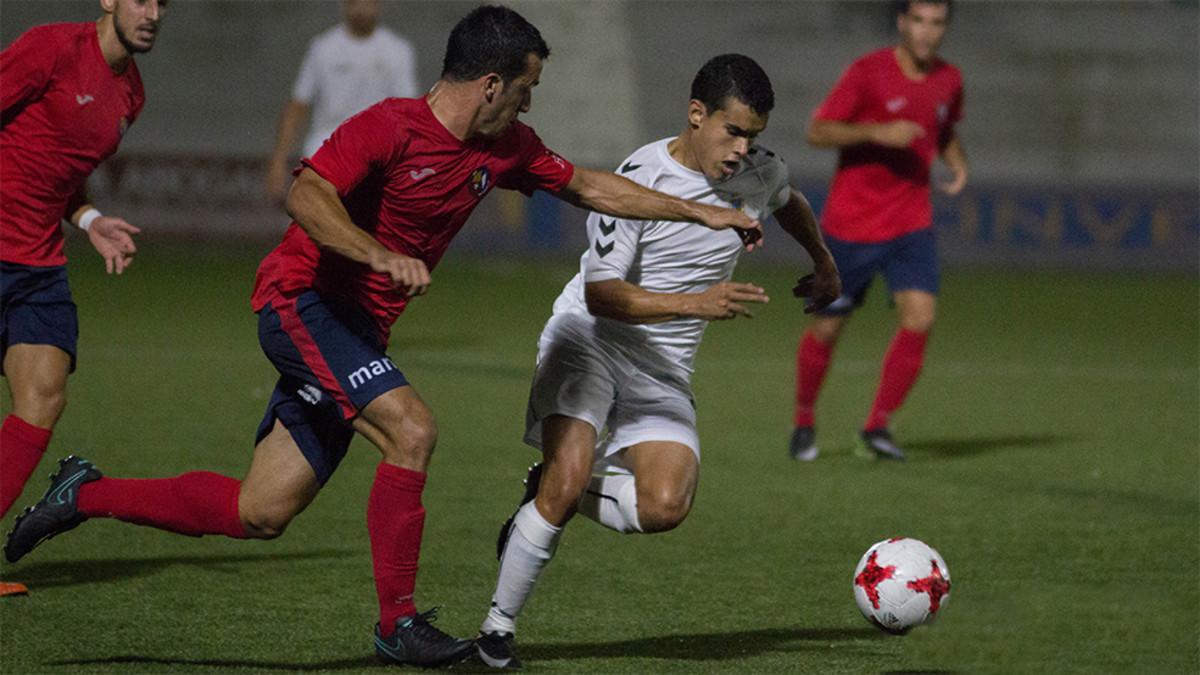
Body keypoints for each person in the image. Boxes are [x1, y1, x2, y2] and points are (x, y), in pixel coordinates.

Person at [4, 5, 764, 668]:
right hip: (300, 303)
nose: (532, 100)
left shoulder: (504, 146)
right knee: (413, 429)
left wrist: (701, 211)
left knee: (261, 509)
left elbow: (591, 184)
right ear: (492, 84)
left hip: (354, 331)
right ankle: (398, 627)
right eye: (528, 85)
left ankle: (84, 492)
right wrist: (374, 252)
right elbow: (307, 193)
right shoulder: (390, 128)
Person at [472, 54, 841, 670]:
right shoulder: (641, 178)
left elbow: (789, 198)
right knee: (568, 484)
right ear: (696, 115)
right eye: (732, 131)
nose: (742, 148)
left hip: (662, 366)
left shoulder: (760, 170)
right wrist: (697, 302)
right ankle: (495, 634)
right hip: (588, 339)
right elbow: (601, 294)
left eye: (753, 135)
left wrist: (822, 260)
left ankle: (545, 490)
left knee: (665, 507)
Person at [0, 0, 163, 597]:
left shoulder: (131, 96)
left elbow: (60, 169)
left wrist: (90, 217)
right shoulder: (51, 48)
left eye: (162, 4)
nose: (152, 13)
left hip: (38, 263)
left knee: (43, 395)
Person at [790, 0, 967, 462]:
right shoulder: (868, 72)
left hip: (912, 224)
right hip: (852, 226)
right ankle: (805, 419)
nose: (928, 32)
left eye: (937, 22)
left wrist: (956, 160)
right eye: (920, 21)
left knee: (920, 318)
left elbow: (943, 128)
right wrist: (877, 132)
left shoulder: (950, 79)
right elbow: (818, 130)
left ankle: (876, 428)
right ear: (902, 23)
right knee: (828, 330)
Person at [265, 0, 420, 205]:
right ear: (343, 5)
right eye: (354, 3)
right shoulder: (322, 47)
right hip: (324, 150)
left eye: (368, 3)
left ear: (379, 5)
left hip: (377, 156)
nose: (361, 9)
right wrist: (278, 160)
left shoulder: (398, 50)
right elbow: (298, 105)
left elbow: (407, 111)